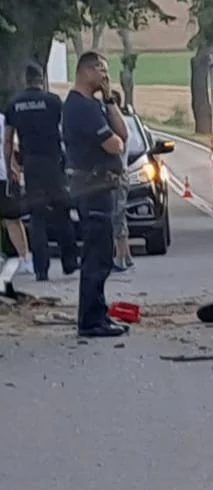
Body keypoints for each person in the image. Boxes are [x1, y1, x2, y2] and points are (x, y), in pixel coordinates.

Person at [61, 52, 128, 337]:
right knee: (96, 257)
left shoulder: (95, 104)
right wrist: (115, 141)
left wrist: (110, 100)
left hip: (101, 187)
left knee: (102, 255)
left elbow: (123, 134)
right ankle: (90, 321)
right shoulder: (80, 107)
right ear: (86, 71)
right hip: (92, 187)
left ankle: (98, 314)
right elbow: (115, 146)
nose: (105, 76)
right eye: (101, 70)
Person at [4, 63, 78, 280]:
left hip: (31, 164)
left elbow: (8, 141)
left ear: (25, 79)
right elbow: (66, 131)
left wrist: (10, 167)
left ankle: (41, 269)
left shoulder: (14, 104)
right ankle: (70, 261)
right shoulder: (53, 101)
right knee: (61, 211)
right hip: (53, 163)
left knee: (37, 217)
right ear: (42, 78)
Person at [0, 109, 33, 273]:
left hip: (3, 175)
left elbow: (10, 145)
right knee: (12, 219)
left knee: (12, 219)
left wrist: (12, 167)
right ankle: (25, 258)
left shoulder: (2, 120)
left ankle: (25, 258)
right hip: (5, 174)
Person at [110, 91, 133, 273]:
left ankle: (120, 257)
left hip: (117, 176)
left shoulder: (117, 128)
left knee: (116, 217)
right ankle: (126, 254)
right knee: (120, 216)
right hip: (123, 175)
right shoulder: (124, 124)